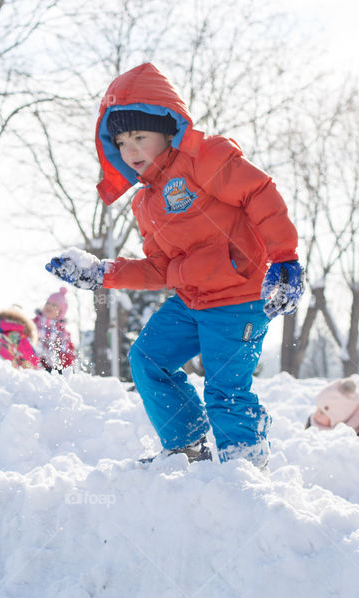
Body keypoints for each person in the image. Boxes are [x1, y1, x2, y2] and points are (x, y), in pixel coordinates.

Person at [46, 63, 304, 468]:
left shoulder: (206, 157)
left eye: (139, 137)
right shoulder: (144, 203)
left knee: (225, 388)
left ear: (169, 129)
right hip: (191, 300)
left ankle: (245, 468)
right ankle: (186, 444)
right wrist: (101, 274)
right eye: (122, 141)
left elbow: (259, 192)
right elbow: (159, 268)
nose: (130, 151)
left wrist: (284, 257)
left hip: (238, 299)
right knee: (147, 358)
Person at [306, 378, 359, 447]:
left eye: (322, 412)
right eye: (317, 408)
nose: (316, 414)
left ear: (340, 419)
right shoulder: (313, 424)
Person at [32, 287, 77, 372]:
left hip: (50, 364)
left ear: (60, 313)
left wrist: (64, 362)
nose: (49, 306)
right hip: (33, 355)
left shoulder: (61, 331)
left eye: (54, 305)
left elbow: (66, 350)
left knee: (53, 356)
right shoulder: (35, 322)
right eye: (48, 303)